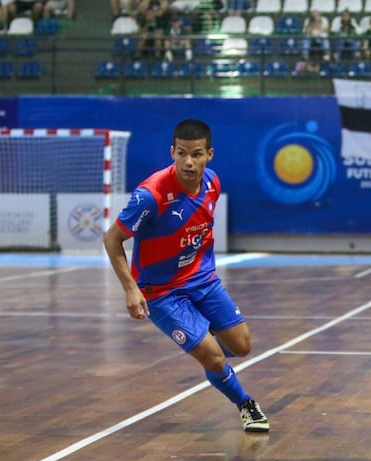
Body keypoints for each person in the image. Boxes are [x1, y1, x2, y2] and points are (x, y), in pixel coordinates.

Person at [103, 119, 269, 433]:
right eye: (181, 154)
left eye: (195, 154)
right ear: (172, 152)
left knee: (243, 345)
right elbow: (112, 239)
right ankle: (245, 403)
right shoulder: (150, 196)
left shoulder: (212, 184)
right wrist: (130, 289)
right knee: (214, 358)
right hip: (161, 291)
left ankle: (207, 348)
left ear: (209, 155)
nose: (188, 162)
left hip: (202, 280)